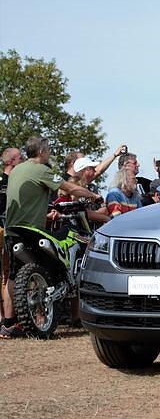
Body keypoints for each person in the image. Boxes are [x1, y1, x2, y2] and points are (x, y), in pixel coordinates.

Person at [2, 136, 102, 338]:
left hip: (12, 228)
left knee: (13, 275)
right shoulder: (42, 170)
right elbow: (70, 188)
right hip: (31, 229)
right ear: (41, 152)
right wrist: (93, 196)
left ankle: (9, 323)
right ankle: (38, 317)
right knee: (44, 267)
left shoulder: (17, 170)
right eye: (47, 150)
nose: (49, 153)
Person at [0, 147, 23, 330]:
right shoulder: (2, 181)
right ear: (11, 161)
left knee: (9, 273)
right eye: (20, 157)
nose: (23, 159)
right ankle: (5, 319)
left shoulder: (18, 181)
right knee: (5, 275)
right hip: (2, 230)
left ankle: (12, 318)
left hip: (12, 231)